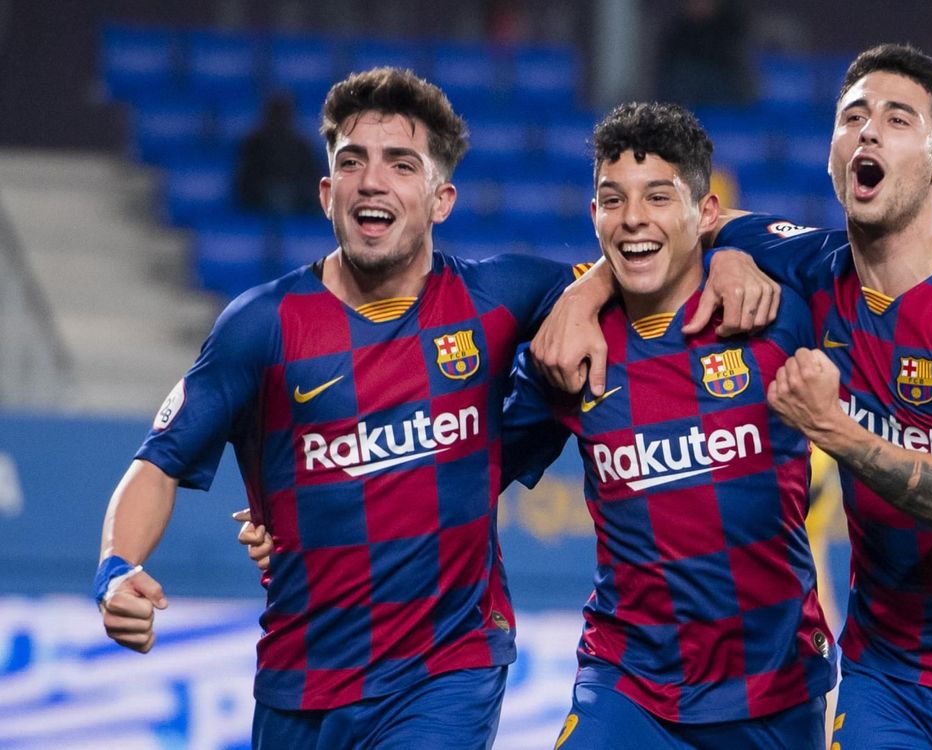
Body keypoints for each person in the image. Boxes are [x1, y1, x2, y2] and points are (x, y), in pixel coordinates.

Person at [531, 43, 932, 748]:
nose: (867, 131)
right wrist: (585, 292)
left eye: (897, 120)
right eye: (853, 116)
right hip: (886, 669)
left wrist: (833, 429)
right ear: (833, 155)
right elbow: (679, 222)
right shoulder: (813, 268)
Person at [95, 66, 587, 750]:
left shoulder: (499, 299)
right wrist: (117, 569)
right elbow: (158, 461)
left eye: (400, 164)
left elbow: (645, 268)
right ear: (327, 191)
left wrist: (728, 256)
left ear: (442, 198)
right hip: (302, 681)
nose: (371, 180)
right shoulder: (260, 328)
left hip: (447, 670)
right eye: (351, 161)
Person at [504, 101, 836, 748]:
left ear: (705, 213)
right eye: (612, 200)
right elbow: (464, 471)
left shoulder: (775, 312)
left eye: (659, 196)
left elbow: (878, 273)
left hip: (773, 684)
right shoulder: (568, 346)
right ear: (592, 214)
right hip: (629, 685)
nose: (632, 218)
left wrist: (735, 249)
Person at [233, 91, 325, 217]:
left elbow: (314, 184)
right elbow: (243, 184)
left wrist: (293, 196)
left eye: (283, 114)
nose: (279, 120)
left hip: (297, 209)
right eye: (275, 114)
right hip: (257, 208)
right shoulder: (252, 146)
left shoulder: (302, 147)